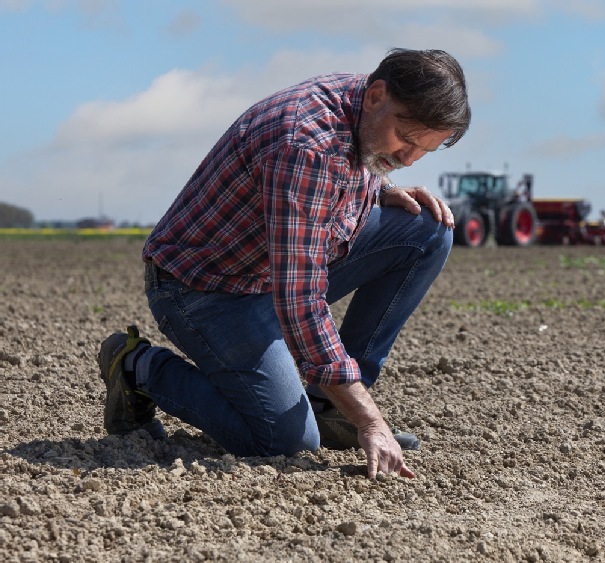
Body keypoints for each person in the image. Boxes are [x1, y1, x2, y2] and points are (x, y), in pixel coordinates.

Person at [97, 48, 471, 479]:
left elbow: (344, 173)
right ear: (377, 96)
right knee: (284, 441)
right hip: (205, 288)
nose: (408, 158)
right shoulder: (306, 145)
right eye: (405, 139)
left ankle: (332, 407)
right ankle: (137, 366)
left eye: (424, 150)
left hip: (271, 269)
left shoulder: (365, 106)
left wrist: (377, 188)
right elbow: (300, 301)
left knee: (426, 229)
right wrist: (371, 422)